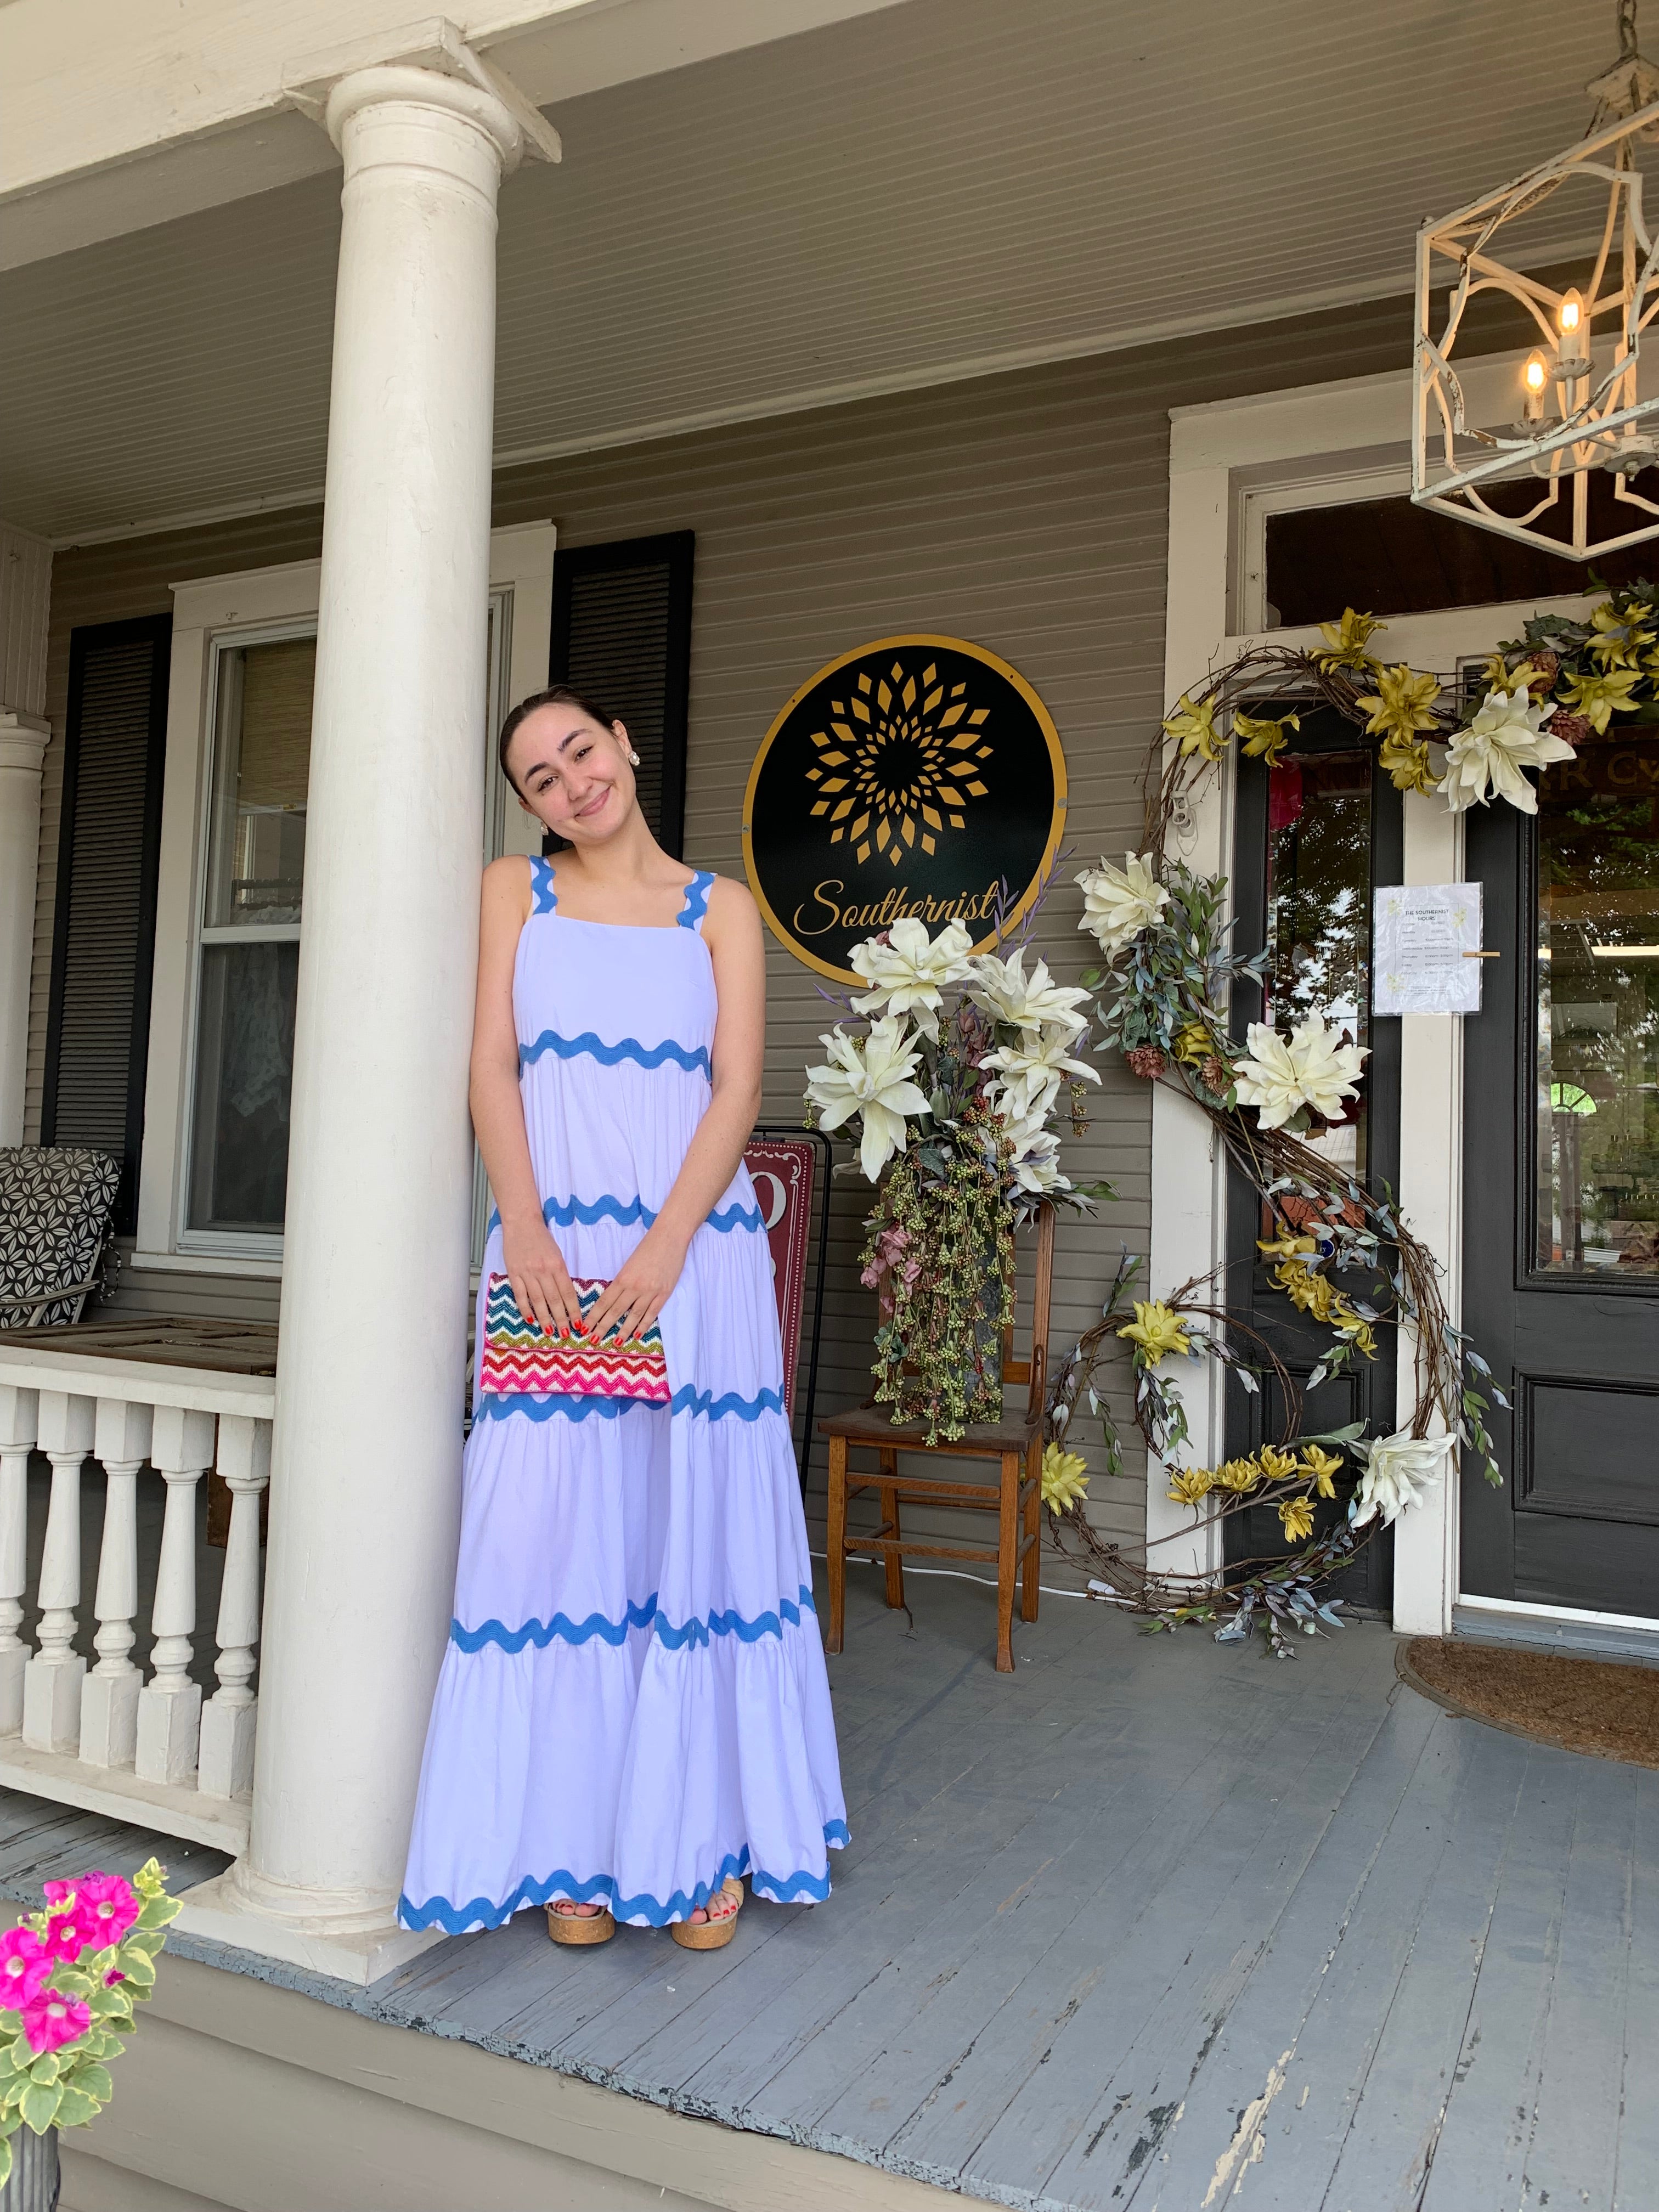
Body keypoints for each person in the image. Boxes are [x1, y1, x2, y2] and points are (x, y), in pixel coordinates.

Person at [399, 687, 845, 1950]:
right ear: (529, 805)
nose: (570, 783)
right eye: (540, 776)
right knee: (556, 1547)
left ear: (628, 747)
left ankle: (699, 1840)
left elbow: (739, 1088)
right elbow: (491, 1065)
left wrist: (660, 1255)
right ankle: (576, 1843)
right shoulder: (515, 894)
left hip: (688, 1261)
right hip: (551, 1257)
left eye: (580, 751)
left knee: (685, 1540)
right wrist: (526, 1229)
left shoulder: (724, 913)